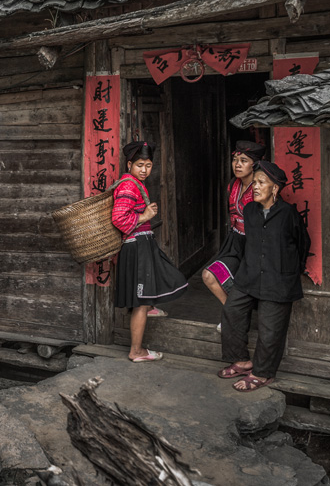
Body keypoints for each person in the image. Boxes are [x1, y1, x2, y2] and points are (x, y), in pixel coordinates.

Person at [218, 160, 311, 391]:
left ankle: (262, 373)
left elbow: (302, 243)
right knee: (232, 310)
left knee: (270, 328)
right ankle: (241, 361)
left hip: (278, 279)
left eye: (261, 183)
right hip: (250, 275)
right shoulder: (250, 210)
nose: (256, 187)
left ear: (275, 188)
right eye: (255, 182)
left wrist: (291, 270)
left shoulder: (288, 214)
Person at [112, 140, 188, 362]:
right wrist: (145, 216)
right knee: (141, 302)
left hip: (142, 243)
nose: (144, 170)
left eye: (148, 165)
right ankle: (136, 351)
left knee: (157, 279)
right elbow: (119, 218)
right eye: (139, 165)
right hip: (136, 246)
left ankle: (149, 305)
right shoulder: (128, 186)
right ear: (129, 165)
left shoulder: (135, 183)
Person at [202, 140, 267, 330]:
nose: (237, 165)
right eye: (235, 160)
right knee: (210, 275)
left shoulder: (260, 188)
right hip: (235, 241)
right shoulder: (233, 185)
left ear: (254, 164)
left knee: (249, 285)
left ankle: (236, 316)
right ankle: (235, 313)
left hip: (254, 245)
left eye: (244, 161)